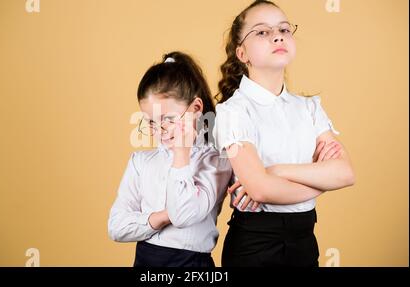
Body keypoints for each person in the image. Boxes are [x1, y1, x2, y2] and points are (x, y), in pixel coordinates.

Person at [213, 0, 355, 267]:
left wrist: (276, 171)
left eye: (284, 29)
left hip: (304, 239)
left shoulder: (309, 107)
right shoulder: (233, 112)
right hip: (255, 244)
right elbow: (260, 189)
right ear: (242, 53)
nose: (278, 35)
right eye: (262, 32)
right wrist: (321, 179)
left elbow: (345, 173)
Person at [108, 51, 232, 267]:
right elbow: (116, 227)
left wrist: (181, 153)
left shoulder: (215, 161)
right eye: (151, 122)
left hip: (192, 265)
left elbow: (183, 215)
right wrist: (163, 217)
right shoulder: (141, 161)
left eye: (169, 119)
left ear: (195, 109)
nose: (161, 130)